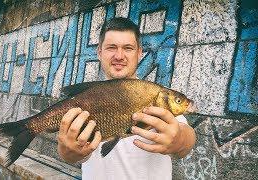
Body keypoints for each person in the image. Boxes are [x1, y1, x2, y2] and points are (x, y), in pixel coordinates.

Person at [57, 17, 196, 180]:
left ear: (139, 53)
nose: (119, 55)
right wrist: (67, 153)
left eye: (128, 48)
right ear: (99, 52)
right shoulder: (86, 98)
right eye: (111, 47)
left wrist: (178, 139)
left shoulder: (155, 96)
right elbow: (69, 153)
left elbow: (186, 138)